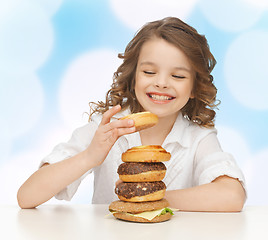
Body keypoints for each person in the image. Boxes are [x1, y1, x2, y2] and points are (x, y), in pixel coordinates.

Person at [17, 17, 246, 211]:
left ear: (195, 87)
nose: (162, 83)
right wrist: (90, 156)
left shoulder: (198, 138)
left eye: (178, 76)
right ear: (133, 76)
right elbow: (27, 197)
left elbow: (233, 196)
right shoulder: (106, 128)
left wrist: (150, 198)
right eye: (149, 71)